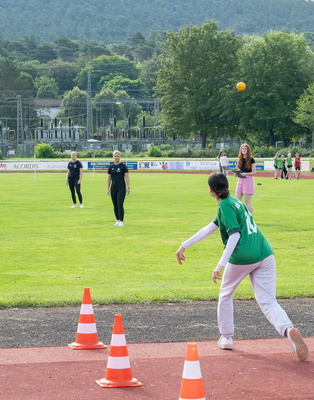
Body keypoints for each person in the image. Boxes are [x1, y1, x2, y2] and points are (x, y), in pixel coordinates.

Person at [175, 172, 308, 362]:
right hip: (265, 252)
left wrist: (220, 265)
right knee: (268, 301)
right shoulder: (236, 203)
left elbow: (235, 235)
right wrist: (184, 245)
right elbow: (210, 227)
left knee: (226, 293)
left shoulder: (225, 205)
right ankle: (289, 330)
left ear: (210, 190)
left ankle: (227, 337)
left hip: (244, 256)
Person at [107, 150, 130, 226]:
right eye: (115, 156)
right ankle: (117, 220)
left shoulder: (123, 166)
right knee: (115, 205)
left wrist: (128, 187)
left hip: (121, 188)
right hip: (113, 188)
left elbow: (126, 176)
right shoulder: (111, 167)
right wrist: (107, 189)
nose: (116, 157)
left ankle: (121, 221)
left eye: (118, 156)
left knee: (120, 204)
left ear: (120, 157)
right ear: (113, 157)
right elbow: (109, 178)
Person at [235, 143, 256, 215]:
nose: (243, 150)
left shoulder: (251, 159)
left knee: (247, 202)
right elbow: (238, 170)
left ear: (248, 150)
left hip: (248, 180)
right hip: (240, 180)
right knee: (237, 201)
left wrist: (245, 174)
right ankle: (238, 217)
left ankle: (250, 219)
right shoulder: (240, 159)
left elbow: (254, 172)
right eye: (242, 149)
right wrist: (237, 173)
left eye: (245, 149)